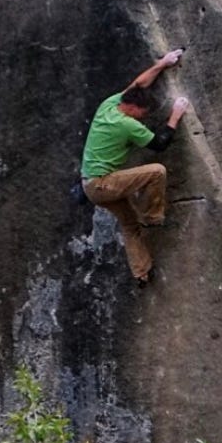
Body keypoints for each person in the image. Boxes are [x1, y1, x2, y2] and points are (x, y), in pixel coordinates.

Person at [81, 48, 189, 286]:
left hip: (91, 186)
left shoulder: (109, 105)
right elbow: (160, 144)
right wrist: (175, 115)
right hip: (103, 184)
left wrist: (162, 64)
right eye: (142, 113)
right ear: (131, 109)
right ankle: (152, 216)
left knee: (130, 225)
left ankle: (141, 273)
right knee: (156, 171)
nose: (143, 116)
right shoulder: (127, 125)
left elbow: (139, 83)